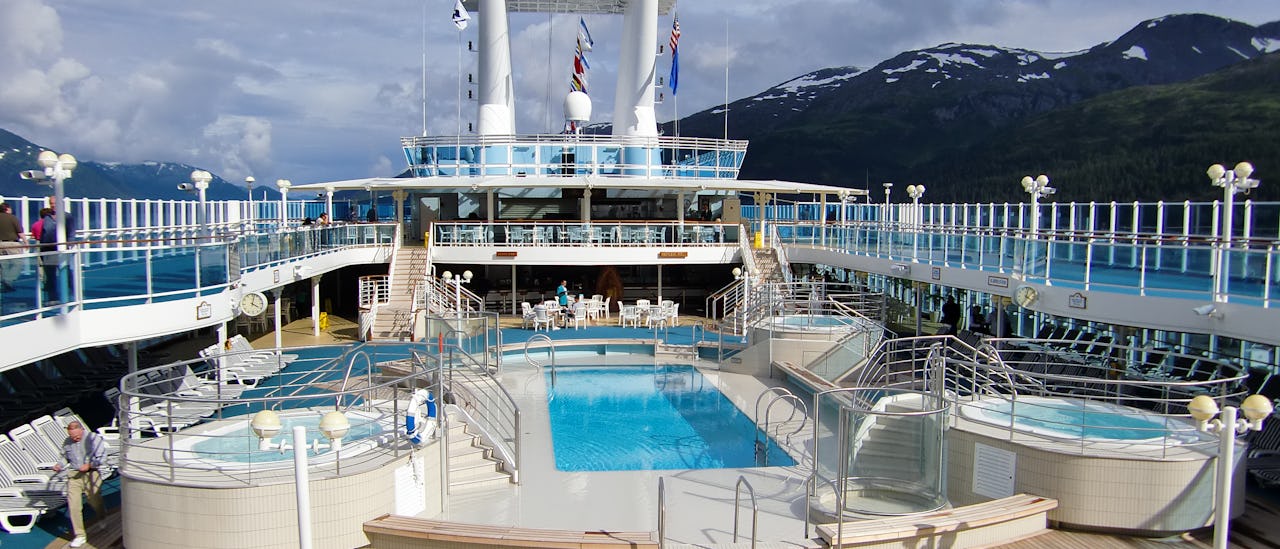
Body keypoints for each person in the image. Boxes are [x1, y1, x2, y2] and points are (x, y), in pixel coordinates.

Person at [53, 421, 108, 547]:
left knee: (94, 500)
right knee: (74, 506)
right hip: (74, 475)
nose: (75, 439)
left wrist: (89, 465)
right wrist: (59, 465)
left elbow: (102, 458)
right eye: (72, 436)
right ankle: (80, 535)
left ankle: (101, 515)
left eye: (77, 436)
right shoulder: (67, 442)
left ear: (82, 430)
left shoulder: (93, 438)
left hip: (91, 473)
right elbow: (64, 457)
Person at [0, 203, 23, 291]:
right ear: (7, 209)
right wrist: (25, 241)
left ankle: (6, 284)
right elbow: (20, 232)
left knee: (3, 265)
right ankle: (8, 280)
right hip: (12, 244)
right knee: (18, 263)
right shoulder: (12, 218)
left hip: (0, 244)